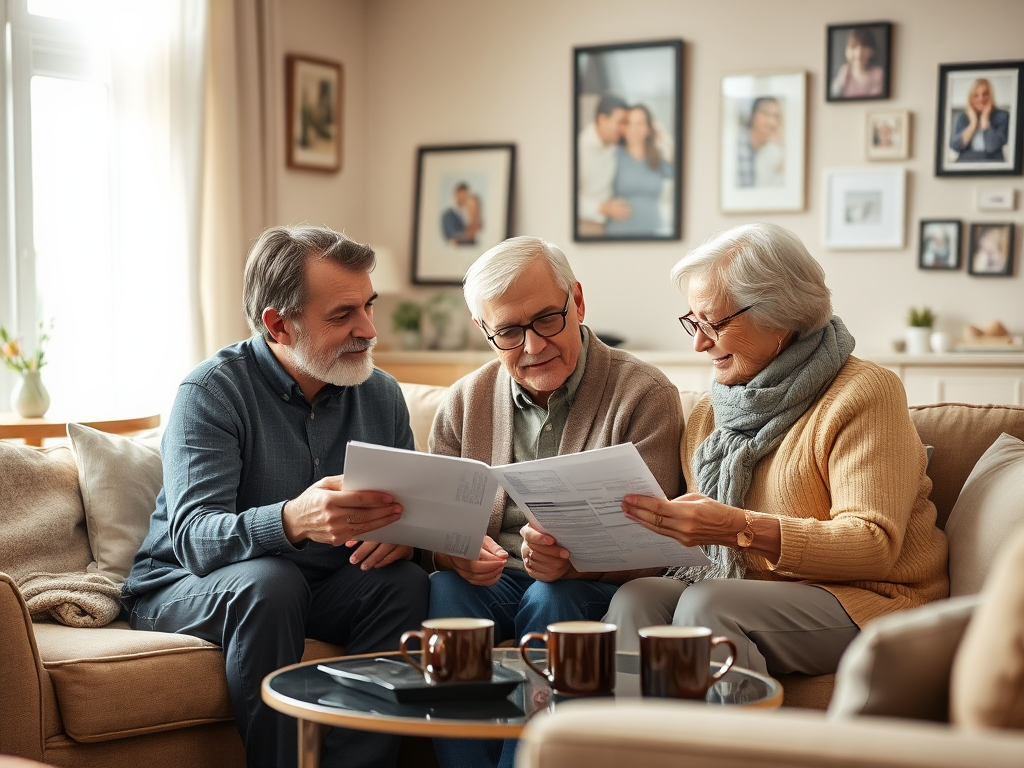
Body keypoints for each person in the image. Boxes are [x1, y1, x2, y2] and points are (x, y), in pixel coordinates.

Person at [123, 225, 430, 768]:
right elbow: (195, 538)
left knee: (400, 583)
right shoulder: (211, 392)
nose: (368, 329)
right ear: (277, 325)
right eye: (342, 315)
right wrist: (293, 520)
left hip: (319, 586)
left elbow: (409, 516)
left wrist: (405, 542)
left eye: (368, 306)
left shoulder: (379, 395)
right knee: (273, 580)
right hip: (185, 586)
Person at [604, 223, 949, 681]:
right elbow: (696, 549)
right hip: (752, 592)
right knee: (638, 597)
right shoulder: (712, 413)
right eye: (692, 321)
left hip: (871, 598)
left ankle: (725, 750)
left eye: (715, 323)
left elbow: (873, 545)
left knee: (711, 603)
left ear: (782, 316)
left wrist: (737, 527)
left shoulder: (864, 393)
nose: (698, 343)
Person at [428, 235, 684, 768]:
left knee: (553, 602)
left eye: (547, 318)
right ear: (486, 332)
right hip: (493, 581)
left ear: (578, 302)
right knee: (448, 594)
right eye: (509, 332)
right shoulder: (462, 403)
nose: (534, 345)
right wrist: (453, 551)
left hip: (588, 588)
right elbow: (438, 532)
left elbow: (661, 546)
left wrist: (574, 562)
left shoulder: (644, 394)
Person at [605, 104, 674, 237]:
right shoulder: (613, 155)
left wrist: (663, 137)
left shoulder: (657, 157)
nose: (633, 129)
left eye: (639, 123)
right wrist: (606, 207)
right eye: (629, 123)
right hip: (619, 234)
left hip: (655, 232)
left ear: (648, 128)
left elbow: (677, 172)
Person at [577, 93, 631, 235]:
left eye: (626, 123)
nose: (624, 129)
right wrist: (603, 209)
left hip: (611, 227)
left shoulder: (617, 145)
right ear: (602, 119)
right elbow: (568, 199)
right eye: (620, 122)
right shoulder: (579, 147)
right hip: (585, 226)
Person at [950, 78, 1010, 162]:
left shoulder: (1002, 116)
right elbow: (955, 146)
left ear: (990, 96)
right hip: (966, 166)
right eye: (976, 95)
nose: (981, 99)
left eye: (985, 94)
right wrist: (973, 123)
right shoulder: (963, 117)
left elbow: (991, 146)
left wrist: (985, 118)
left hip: (993, 166)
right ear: (970, 98)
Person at [737, 97, 784, 188]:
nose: (772, 122)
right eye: (766, 114)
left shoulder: (774, 150)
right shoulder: (737, 143)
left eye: (776, 116)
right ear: (753, 115)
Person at [830, 27, 885, 99]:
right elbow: (834, 95)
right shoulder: (844, 72)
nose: (859, 53)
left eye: (864, 47)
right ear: (846, 51)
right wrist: (841, 82)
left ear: (872, 51)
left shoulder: (878, 74)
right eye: (853, 47)